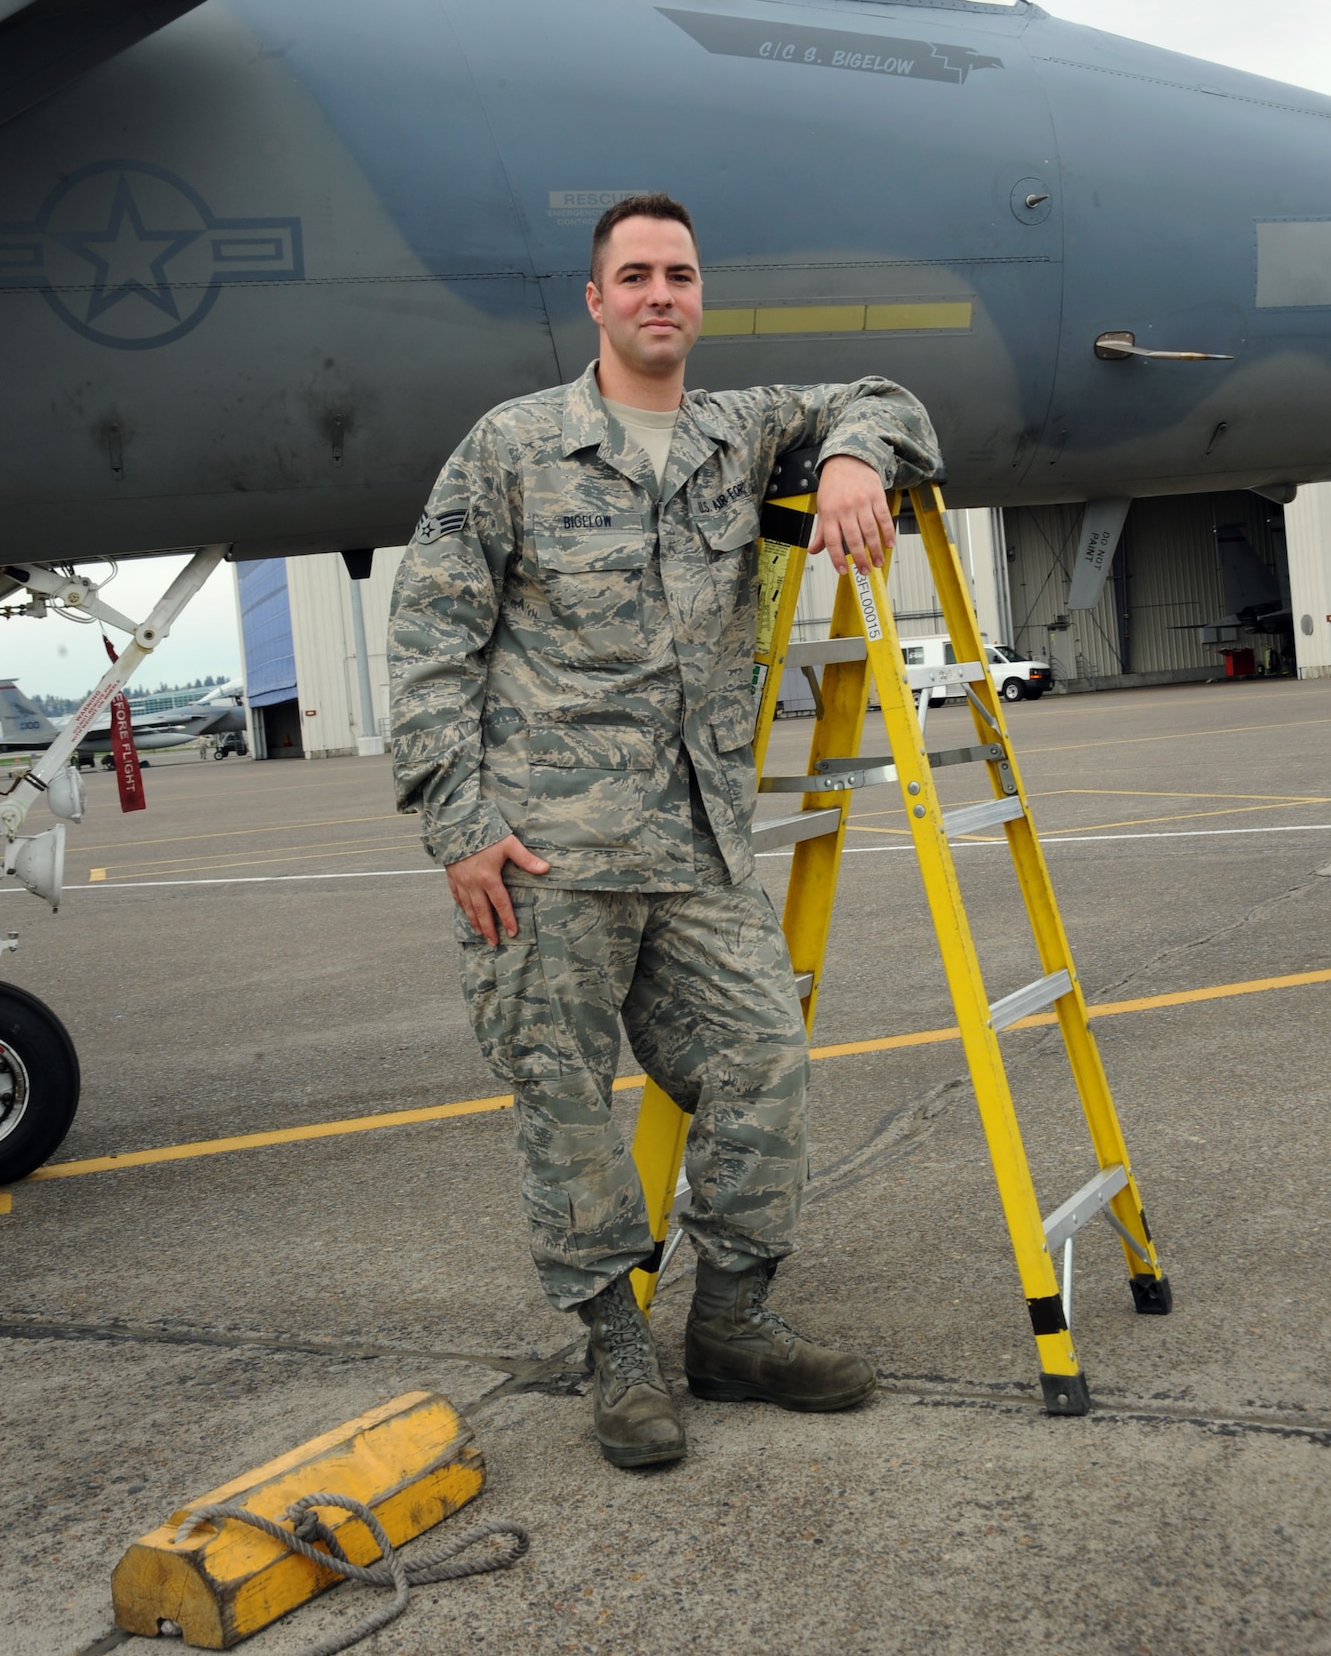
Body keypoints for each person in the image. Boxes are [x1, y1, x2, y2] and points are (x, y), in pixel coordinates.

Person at [389, 192, 941, 1468]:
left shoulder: (736, 434)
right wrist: (461, 825)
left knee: (764, 1063)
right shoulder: (513, 447)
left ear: (701, 297)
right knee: (567, 1102)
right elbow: (428, 647)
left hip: (697, 848)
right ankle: (615, 1349)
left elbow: (890, 394)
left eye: (679, 275)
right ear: (594, 300)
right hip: (547, 855)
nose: (658, 294)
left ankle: (734, 1322)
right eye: (633, 274)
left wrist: (857, 457)